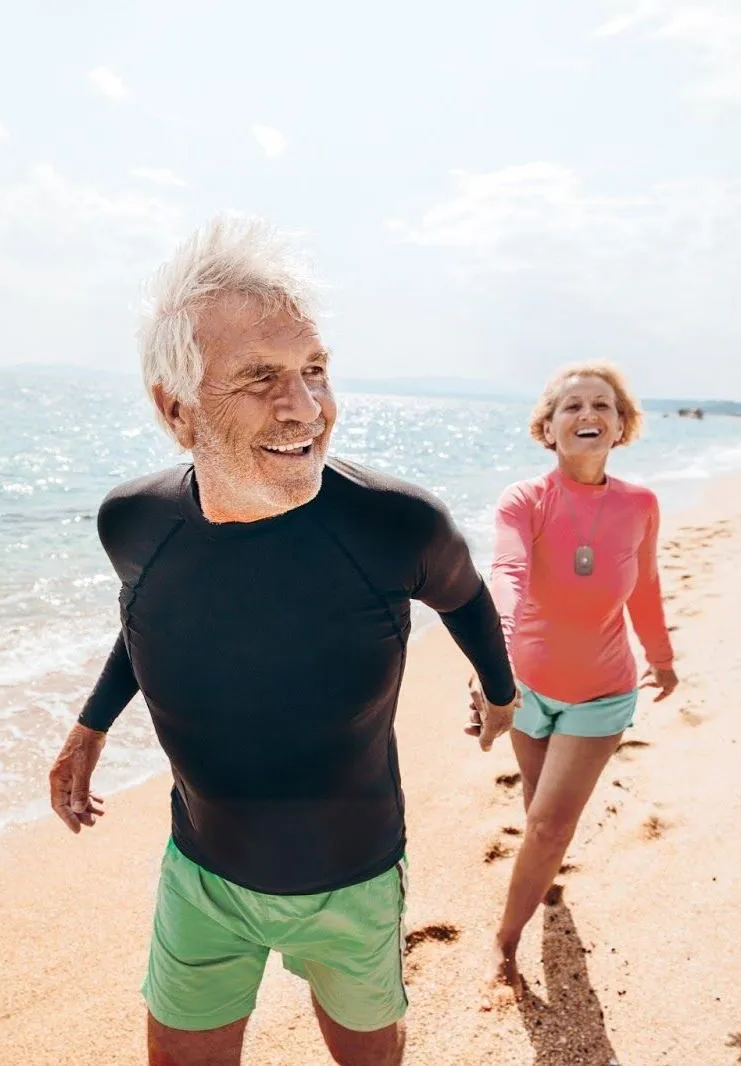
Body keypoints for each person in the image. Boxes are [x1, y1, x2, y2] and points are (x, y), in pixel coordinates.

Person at [48, 215, 519, 1066]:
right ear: (174, 408)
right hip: (199, 872)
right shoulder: (135, 522)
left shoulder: (393, 526)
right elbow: (148, 615)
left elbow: (466, 599)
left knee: (368, 1054)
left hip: (356, 881)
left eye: (314, 371)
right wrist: (92, 724)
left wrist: (501, 688)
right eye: (260, 378)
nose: (305, 408)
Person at [466, 362, 678, 1005]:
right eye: (572, 406)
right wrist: (492, 666)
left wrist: (662, 658)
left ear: (620, 427)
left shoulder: (640, 503)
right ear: (549, 427)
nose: (588, 414)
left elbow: (643, 586)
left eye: (602, 406)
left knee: (552, 824)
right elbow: (507, 572)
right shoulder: (523, 500)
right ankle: (539, 880)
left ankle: (505, 940)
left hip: (604, 691)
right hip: (526, 688)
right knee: (538, 811)